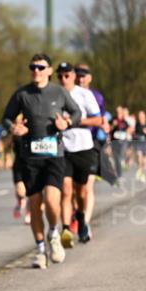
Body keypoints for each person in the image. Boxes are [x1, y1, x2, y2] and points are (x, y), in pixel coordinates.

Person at [2, 54, 81, 269]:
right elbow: (6, 117)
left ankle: (53, 233)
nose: (36, 70)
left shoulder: (59, 91)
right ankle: (39, 250)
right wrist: (13, 127)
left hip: (54, 155)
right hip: (30, 157)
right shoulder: (22, 93)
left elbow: (76, 112)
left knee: (52, 199)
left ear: (48, 70)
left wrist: (67, 122)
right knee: (35, 203)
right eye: (32, 67)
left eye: (40, 67)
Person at [55, 62, 103, 246]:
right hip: (62, 148)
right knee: (66, 190)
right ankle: (66, 229)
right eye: (60, 76)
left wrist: (74, 121)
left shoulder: (85, 94)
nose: (63, 79)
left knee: (81, 192)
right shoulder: (54, 95)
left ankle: (82, 219)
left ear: (74, 76)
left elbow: (98, 119)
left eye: (67, 75)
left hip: (83, 147)